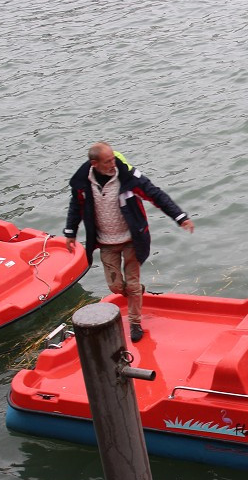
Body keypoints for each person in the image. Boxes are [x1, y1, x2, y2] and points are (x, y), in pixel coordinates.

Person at [64, 142, 194, 342]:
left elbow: (155, 194)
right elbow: (75, 207)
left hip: (132, 239)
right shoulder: (83, 184)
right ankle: (135, 293)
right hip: (105, 242)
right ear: (94, 163)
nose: (112, 164)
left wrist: (180, 217)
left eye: (113, 159)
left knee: (132, 284)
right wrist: (70, 232)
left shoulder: (128, 178)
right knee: (115, 287)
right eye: (107, 161)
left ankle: (135, 322)